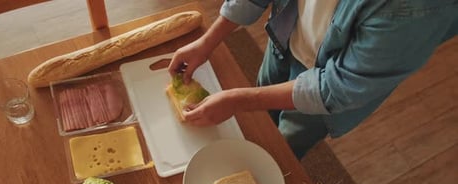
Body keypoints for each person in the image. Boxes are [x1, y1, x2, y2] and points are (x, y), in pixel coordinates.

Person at [168, 0, 458, 159]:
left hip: (326, 88)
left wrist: (237, 100)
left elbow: (338, 87)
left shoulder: (420, 8)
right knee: (261, 113)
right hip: (286, 38)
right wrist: (207, 42)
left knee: (283, 146)